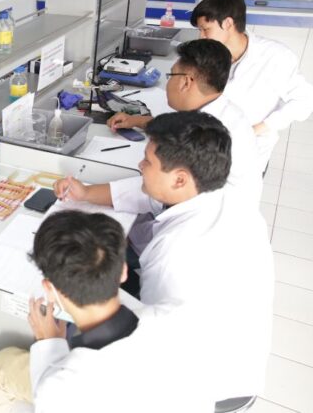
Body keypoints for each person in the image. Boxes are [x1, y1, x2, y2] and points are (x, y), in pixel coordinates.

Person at [54, 112, 273, 400]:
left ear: (180, 179)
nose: (140, 165)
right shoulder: (222, 195)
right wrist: (85, 193)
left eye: (147, 161)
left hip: (201, 381)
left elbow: (144, 339)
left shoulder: (175, 253)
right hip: (232, 355)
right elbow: (147, 194)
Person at [0, 211, 213, 412]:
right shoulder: (180, 316)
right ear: (124, 271)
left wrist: (48, 344)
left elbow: (53, 391)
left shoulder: (60, 389)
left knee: (4, 362)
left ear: (49, 290)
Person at [107, 39, 261, 205]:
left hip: (212, 209)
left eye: (171, 76)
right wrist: (136, 120)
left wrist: (89, 192)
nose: (168, 83)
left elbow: (156, 190)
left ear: (185, 82)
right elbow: (177, 130)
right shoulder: (221, 109)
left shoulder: (209, 132)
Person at [191, 0, 313, 169]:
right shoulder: (208, 55)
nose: (201, 37)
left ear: (228, 23)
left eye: (206, 29)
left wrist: (257, 129)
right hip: (207, 148)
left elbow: (304, 102)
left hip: (250, 153)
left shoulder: (275, 56)